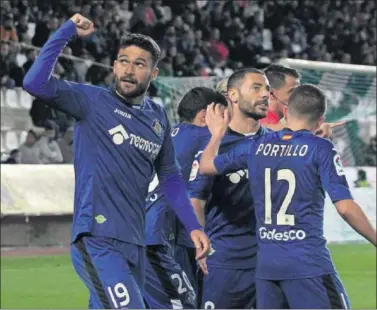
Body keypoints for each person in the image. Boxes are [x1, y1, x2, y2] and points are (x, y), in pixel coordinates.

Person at [22, 14, 210, 309]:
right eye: (123, 61)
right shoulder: (92, 101)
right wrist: (67, 31)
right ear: (113, 66)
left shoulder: (157, 116)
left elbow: (170, 177)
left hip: (135, 242)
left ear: (154, 73)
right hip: (98, 237)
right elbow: (34, 82)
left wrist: (194, 226)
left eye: (139, 64)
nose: (129, 70)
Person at [200, 84, 377, 309]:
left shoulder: (256, 145)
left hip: (267, 268)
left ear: (286, 112)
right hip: (307, 263)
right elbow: (344, 208)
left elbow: (206, 166)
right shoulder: (320, 148)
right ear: (321, 119)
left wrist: (216, 135)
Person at [189, 68, 271, 309]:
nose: (266, 94)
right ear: (233, 96)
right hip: (225, 261)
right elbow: (196, 200)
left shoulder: (273, 143)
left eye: (267, 89)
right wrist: (199, 242)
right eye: (256, 88)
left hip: (270, 261)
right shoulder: (213, 145)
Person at [144, 87, 227, 309]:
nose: (226, 119)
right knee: (184, 301)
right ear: (204, 115)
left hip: (143, 227)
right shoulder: (206, 137)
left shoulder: (170, 133)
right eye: (222, 112)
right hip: (169, 233)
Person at [262, 63, 344, 134]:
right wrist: (311, 126)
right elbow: (259, 129)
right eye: (292, 91)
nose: (298, 96)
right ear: (271, 94)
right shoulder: (259, 117)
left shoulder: (281, 119)